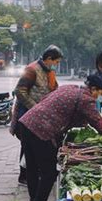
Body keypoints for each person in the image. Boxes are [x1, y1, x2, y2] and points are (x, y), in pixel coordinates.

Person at [17, 74, 102, 201]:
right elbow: (100, 124)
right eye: (100, 93)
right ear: (93, 89)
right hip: (40, 129)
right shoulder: (85, 99)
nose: (99, 97)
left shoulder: (70, 88)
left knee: (33, 167)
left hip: (27, 122)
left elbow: (56, 107)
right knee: (49, 171)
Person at [10, 45, 63, 186]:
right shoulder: (32, 69)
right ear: (49, 59)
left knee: (38, 144)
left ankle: (35, 173)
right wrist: (36, 108)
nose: (56, 65)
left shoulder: (49, 73)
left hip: (42, 115)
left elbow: (54, 90)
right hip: (27, 113)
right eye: (56, 62)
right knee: (27, 145)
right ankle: (24, 175)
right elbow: (20, 91)